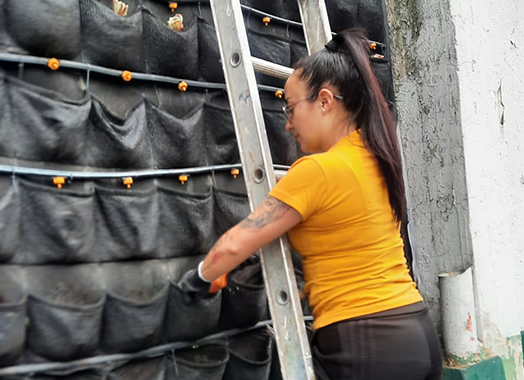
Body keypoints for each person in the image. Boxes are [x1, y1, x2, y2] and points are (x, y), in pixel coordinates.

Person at [178, 28, 442, 380]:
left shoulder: (318, 171)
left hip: (366, 344)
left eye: (290, 108)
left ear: (324, 101)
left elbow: (237, 243)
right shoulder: (375, 156)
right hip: (416, 331)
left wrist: (198, 279)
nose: (287, 124)